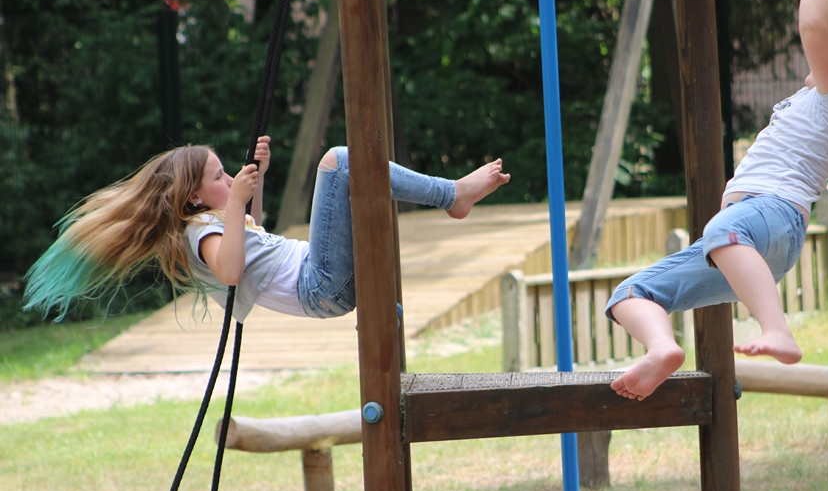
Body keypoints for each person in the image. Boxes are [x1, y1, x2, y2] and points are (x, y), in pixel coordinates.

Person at [606, 0, 828, 401]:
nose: (827, 42)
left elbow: (816, 27)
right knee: (630, 294)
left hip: (764, 218)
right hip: (760, 241)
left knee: (721, 228)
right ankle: (661, 348)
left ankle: (777, 329)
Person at [23, 138, 510, 322]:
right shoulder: (200, 236)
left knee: (356, 185)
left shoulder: (216, 220)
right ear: (192, 197)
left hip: (319, 281)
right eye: (219, 178)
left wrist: (253, 190)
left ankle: (391, 303)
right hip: (319, 286)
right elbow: (233, 270)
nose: (230, 180)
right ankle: (453, 195)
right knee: (339, 162)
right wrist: (237, 203)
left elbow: (258, 244)